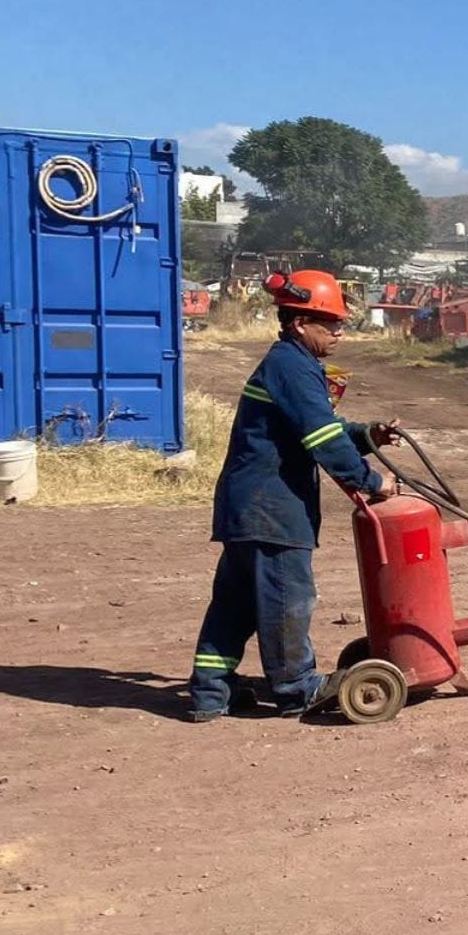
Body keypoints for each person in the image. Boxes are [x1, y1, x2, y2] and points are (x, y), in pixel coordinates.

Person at [187, 270, 399, 723]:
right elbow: (321, 436)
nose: (340, 332)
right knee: (288, 597)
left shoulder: (288, 363)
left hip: (248, 507)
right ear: (300, 323)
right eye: (330, 324)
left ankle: (210, 691)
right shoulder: (293, 366)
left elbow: (312, 427)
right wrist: (371, 481)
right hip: (272, 509)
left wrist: (366, 435)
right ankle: (297, 688)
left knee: (235, 604)